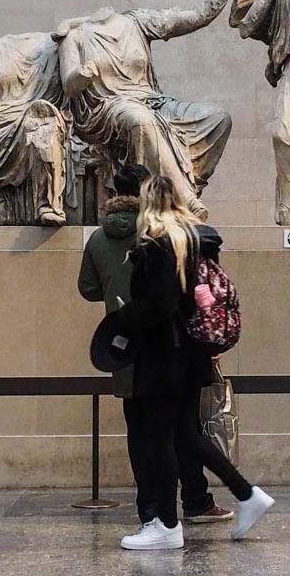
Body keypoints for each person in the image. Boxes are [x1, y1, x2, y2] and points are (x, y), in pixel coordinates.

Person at [115, 176, 273, 552]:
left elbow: (162, 303)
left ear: (148, 204)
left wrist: (128, 316)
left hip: (163, 357)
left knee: (160, 440)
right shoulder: (196, 240)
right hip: (190, 356)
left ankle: (167, 525)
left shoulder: (158, 243)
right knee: (186, 436)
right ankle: (247, 494)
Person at [78, 162, 230, 525]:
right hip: (170, 348)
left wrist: (115, 290)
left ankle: (149, 510)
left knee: (139, 431)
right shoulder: (162, 234)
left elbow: (88, 289)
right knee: (184, 428)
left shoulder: (98, 238)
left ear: (115, 192)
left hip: (124, 348)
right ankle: (196, 500)